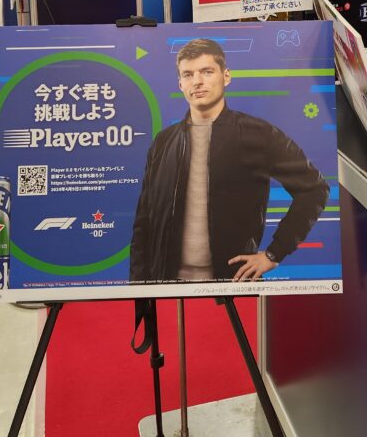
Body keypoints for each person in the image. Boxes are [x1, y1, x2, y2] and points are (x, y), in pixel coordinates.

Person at [130, 38, 329, 283]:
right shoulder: (163, 142)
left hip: (234, 283)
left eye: (207, 71)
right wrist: (139, 288)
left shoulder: (258, 134)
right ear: (180, 83)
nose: (197, 81)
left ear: (226, 76)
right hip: (167, 284)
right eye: (188, 74)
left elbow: (314, 189)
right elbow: (144, 223)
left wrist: (274, 253)